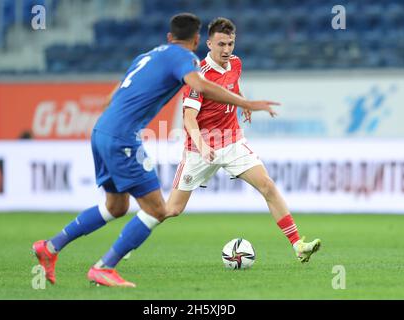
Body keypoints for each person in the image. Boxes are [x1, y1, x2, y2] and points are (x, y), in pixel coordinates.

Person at [32, 13, 280, 288]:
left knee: (116, 206)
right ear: (198, 40)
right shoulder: (184, 58)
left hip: (101, 132)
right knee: (157, 209)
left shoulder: (145, 57)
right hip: (122, 139)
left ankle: (51, 247)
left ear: (169, 37)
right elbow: (200, 86)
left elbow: (109, 99)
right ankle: (104, 267)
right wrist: (248, 103)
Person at [165, 17, 321, 263]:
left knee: (267, 185)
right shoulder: (198, 76)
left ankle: (298, 246)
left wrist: (243, 102)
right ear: (208, 43)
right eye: (221, 45)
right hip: (200, 148)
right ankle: (127, 242)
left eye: (230, 44)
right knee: (171, 209)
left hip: (232, 141)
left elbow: (233, 86)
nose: (227, 50)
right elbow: (189, 119)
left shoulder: (236, 63)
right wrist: (203, 146)